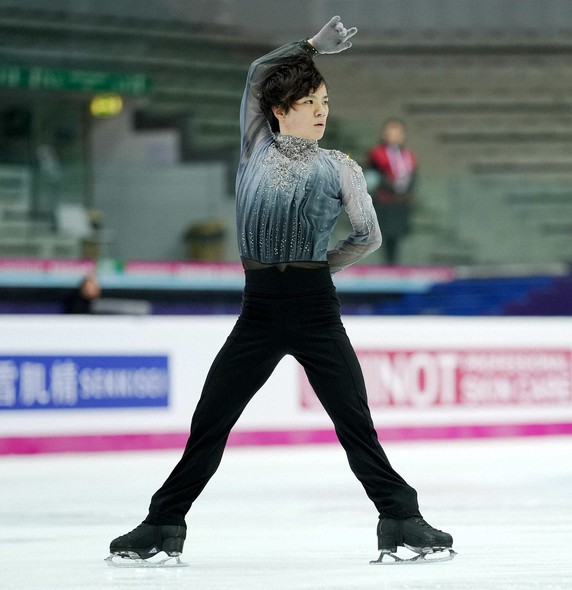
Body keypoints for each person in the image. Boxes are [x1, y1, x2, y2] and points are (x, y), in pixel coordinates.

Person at [108, 17, 453, 565]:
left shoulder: (340, 166)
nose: (322, 109)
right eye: (311, 99)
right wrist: (313, 47)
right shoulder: (255, 147)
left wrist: (319, 267)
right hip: (259, 312)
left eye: (326, 100)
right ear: (279, 108)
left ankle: (400, 517)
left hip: (316, 309)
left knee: (354, 423)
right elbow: (255, 73)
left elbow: (369, 235)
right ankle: (162, 522)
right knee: (210, 422)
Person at [366, 119, 417, 264]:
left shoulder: (408, 155)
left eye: (397, 133)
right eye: (390, 133)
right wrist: (388, 184)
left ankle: (393, 263)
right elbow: (373, 175)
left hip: (400, 201)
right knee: (384, 233)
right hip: (384, 200)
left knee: (397, 235)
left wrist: (408, 190)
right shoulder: (377, 154)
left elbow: (413, 174)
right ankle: (386, 264)